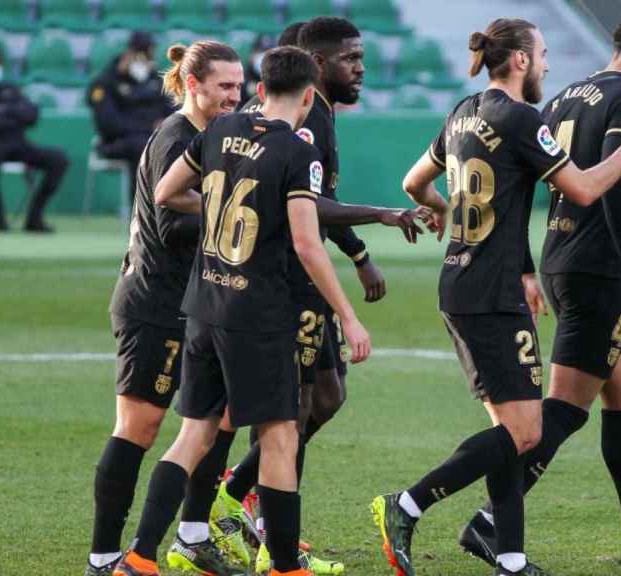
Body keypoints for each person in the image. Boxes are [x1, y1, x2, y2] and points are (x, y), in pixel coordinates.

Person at [370, 17, 621, 576]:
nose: (549, 65)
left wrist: (441, 208)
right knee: (525, 431)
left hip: (460, 281)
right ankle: (407, 504)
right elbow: (583, 188)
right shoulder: (522, 118)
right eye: (544, 54)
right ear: (522, 60)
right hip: (490, 292)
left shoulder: (463, 112)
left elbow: (413, 183)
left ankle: (508, 555)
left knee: (514, 427)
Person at [112, 45, 372, 576]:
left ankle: (138, 555)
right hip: (257, 315)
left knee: (194, 434)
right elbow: (306, 243)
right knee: (280, 437)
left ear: (257, 90)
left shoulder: (217, 134)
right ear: (307, 97)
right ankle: (284, 566)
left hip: (204, 305)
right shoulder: (299, 152)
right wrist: (347, 314)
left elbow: (165, 193)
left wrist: (223, 204)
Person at [454, 15, 621, 570]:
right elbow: (617, 188)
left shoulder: (565, 95)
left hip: (557, 255)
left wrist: (529, 266)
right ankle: (487, 522)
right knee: (563, 412)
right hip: (597, 268)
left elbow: (521, 191)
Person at [211, 17, 418, 574]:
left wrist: (356, 254)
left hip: (298, 281)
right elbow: (310, 208)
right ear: (319, 67)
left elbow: (319, 197)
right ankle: (255, 524)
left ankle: (236, 496)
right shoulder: (307, 126)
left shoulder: (315, 117)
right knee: (290, 411)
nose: (362, 69)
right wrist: (376, 222)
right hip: (289, 282)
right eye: (352, 59)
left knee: (325, 399)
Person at [86, 40, 246, 576]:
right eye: (224, 86)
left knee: (214, 419)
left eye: (239, 85)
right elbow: (170, 226)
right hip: (155, 303)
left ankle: (193, 534)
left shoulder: (206, 136)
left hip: (193, 304)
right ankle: (105, 557)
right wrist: (236, 216)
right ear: (193, 84)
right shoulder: (178, 136)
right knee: (139, 428)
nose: (235, 96)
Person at [0, 43, 68, 232]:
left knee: (58, 159)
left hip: (17, 144)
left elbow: (31, 114)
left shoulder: (8, 88)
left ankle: (34, 217)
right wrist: (7, 115)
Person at [88, 31, 174, 210]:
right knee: (144, 148)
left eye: (149, 54)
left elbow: (171, 112)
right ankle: (141, 214)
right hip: (117, 143)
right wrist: (149, 127)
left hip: (152, 140)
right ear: (129, 54)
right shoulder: (107, 81)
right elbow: (108, 124)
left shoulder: (156, 80)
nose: (145, 60)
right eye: (141, 54)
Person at [241, 34, 276, 105]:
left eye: (269, 52)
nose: (264, 56)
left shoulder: (281, 79)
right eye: (261, 51)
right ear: (252, 54)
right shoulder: (241, 78)